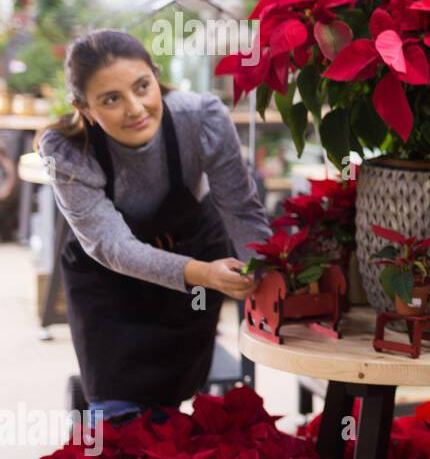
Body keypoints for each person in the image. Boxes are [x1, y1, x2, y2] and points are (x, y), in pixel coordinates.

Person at [38, 29, 270, 424]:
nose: (135, 108)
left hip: (193, 251)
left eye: (142, 86)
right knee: (116, 405)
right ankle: (99, 414)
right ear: (85, 108)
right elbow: (113, 247)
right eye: (111, 99)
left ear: (155, 76)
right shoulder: (67, 152)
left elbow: (241, 210)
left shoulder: (201, 119)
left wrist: (262, 273)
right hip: (108, 279)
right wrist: (204, 275)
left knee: (170, 401)